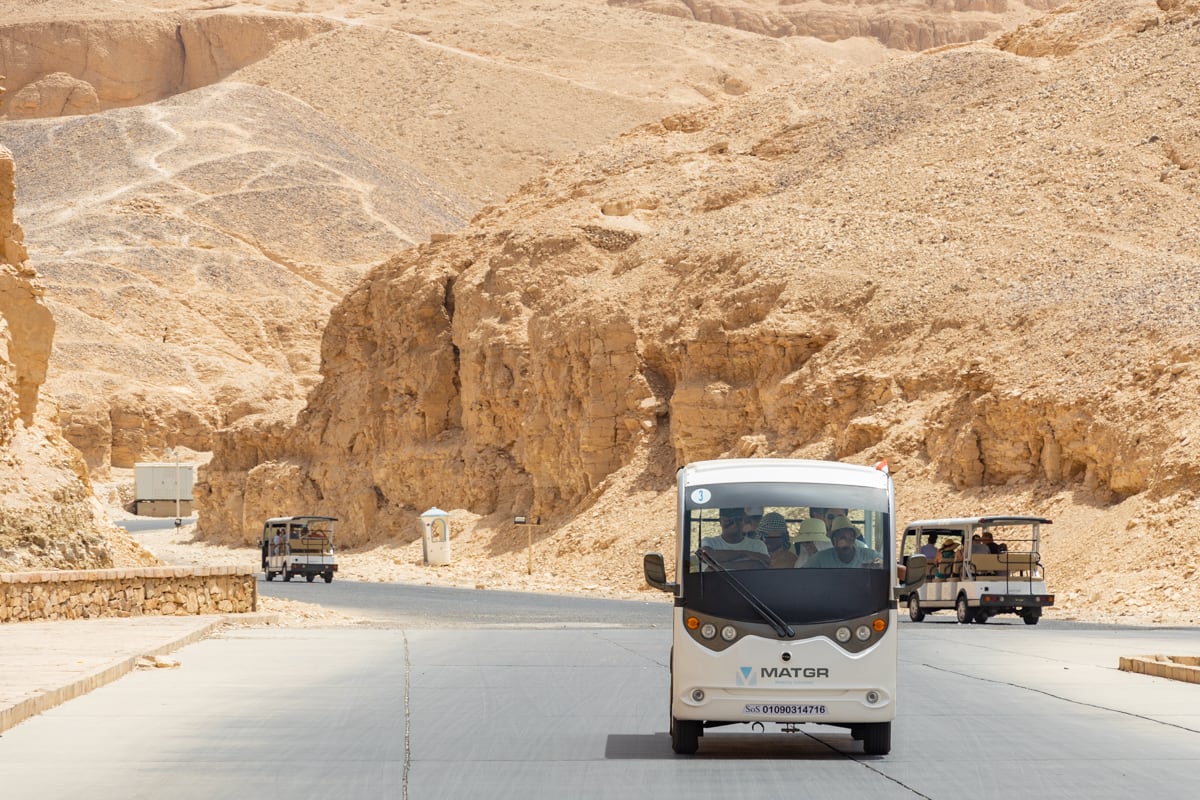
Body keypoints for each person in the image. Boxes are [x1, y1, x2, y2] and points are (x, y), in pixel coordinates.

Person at [698, 507, 769, 569]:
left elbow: (758, 566)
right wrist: (746, 554)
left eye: (738, 519)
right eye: (728, 521)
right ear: (720, 521)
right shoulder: (709, 542)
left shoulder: (757, 545)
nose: (734, 524)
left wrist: (717, 567)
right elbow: (707, 557)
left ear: (743, 521)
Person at [802, 516, 884, 568]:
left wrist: (878, 565)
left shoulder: (867, 555)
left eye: (851, 538)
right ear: (834, 541)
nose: (848, 542)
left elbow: (887, 565)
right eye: (843, 538)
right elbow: (802, 575)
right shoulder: (821, 559)